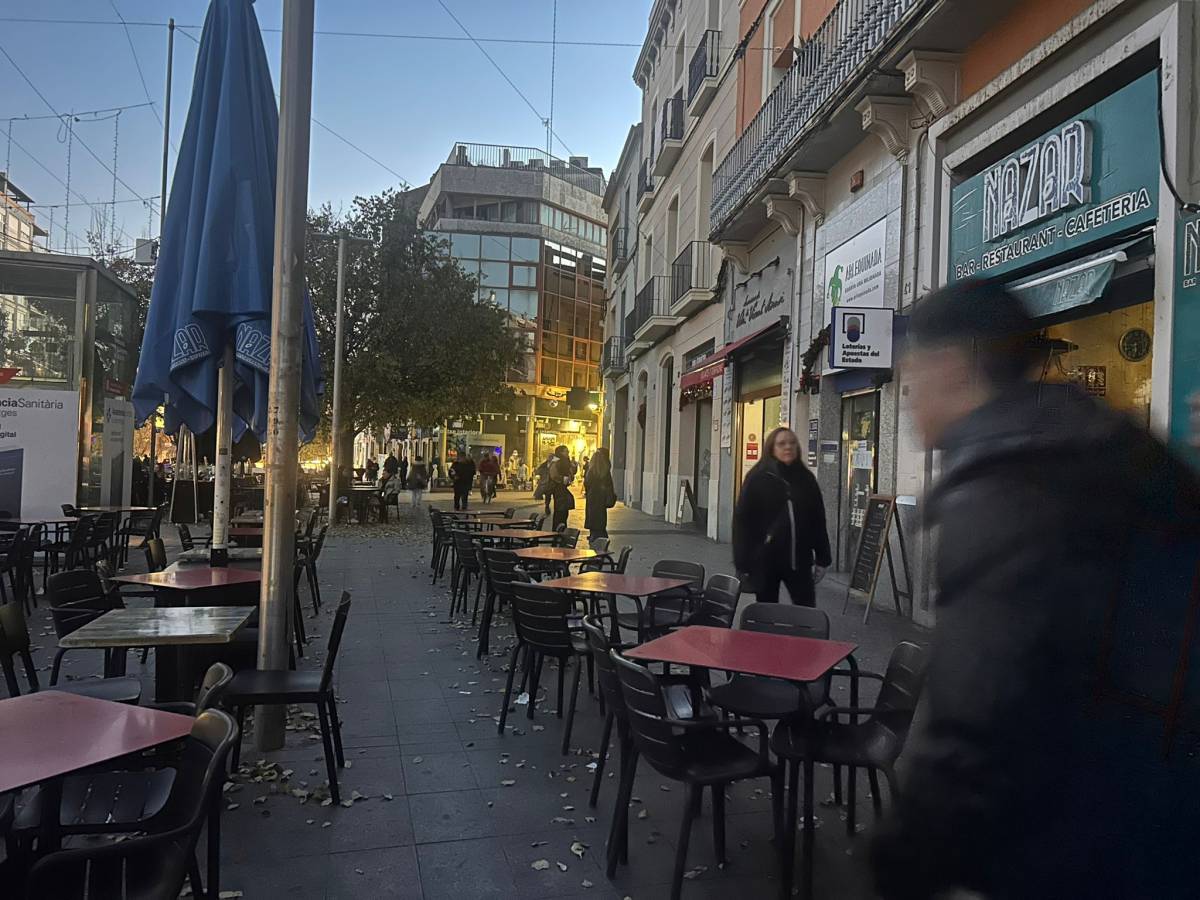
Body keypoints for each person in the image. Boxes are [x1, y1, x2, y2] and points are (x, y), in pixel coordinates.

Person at [870, 280, 1200, 900]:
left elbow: (975, 720)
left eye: (912, 375)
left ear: (952, 366)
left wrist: (902, 863)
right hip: (1155, 820)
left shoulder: (1003, 492)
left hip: (1078, 845)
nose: (908, 398)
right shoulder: (1106, 448)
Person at [732, 426, 831, 606]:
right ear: (772, 448)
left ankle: (802, 635)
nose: (788, 447)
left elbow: (817, 519)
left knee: (806, 609)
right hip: (765, 560)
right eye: (782, 444)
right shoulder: (757, 477)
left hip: (799, 559)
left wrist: (823, 558)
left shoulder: (806, 479)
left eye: (792, 443)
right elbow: (742, 522)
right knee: (766, 610)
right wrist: (742, 563)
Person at [583, 447, 616, 542]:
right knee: (601, 516)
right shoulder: (605, 470)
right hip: (602, 496)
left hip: (592, 495)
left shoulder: (591, 471)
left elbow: (587, 483)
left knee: (592, 515)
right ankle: (601, 534)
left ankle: (593, 533)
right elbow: (609, 484)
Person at [547, 445, 577, 531]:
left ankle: (561, 530)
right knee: (560, 512)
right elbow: (553, 475)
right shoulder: (556, 462)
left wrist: (573, 468)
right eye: (566, 451)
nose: (568, 453)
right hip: (558, 489)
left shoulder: (565, 462)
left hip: (563, 488)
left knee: (563, 512)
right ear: (560, 452)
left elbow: (571, 473)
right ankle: (558, 531)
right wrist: (562, 479)